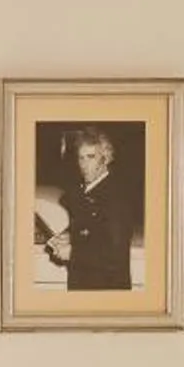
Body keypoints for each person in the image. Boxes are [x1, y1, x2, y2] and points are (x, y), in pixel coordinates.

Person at [38, 125, 137, 292]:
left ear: (105, 158)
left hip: (105, 291)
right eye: (81, 158)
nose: (84, 164)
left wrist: (73, 254)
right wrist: (69, 236)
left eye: (90, 157)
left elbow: (115, 256)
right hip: (83, 285)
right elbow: (91, 230)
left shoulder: (116, 196)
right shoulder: (83, 191)